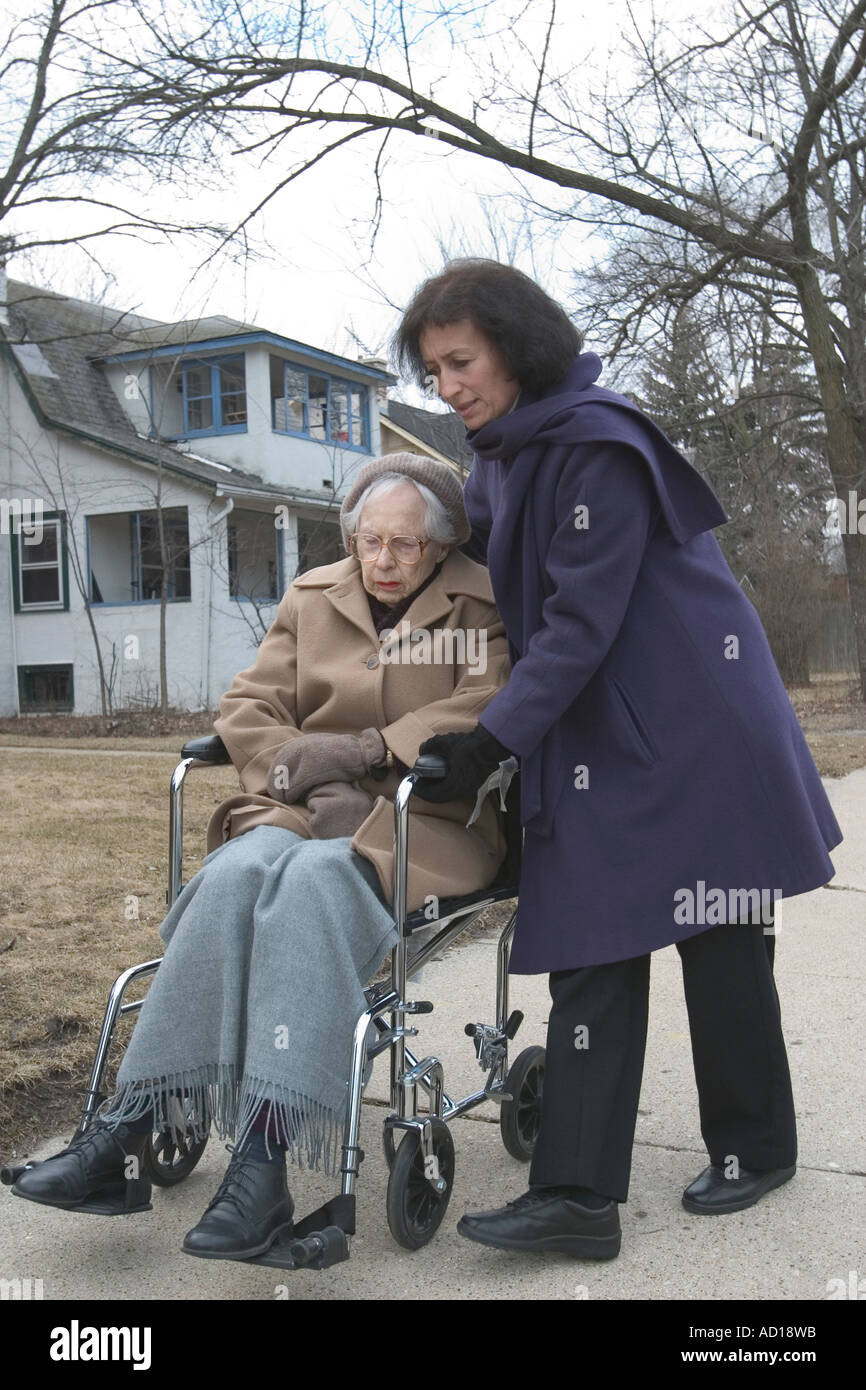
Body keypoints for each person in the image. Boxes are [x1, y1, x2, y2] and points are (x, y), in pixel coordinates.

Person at [395, 259, 843, 1262]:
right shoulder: (503, 454)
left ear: (514, 345)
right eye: (432, 372)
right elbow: (464, 551)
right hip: (603, 736)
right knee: (593, 936)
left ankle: (754, 1147)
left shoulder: (597, 444)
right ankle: (574, 1196)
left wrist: (489, 740)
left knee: (719, 942)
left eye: (459, 361)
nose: (448, 386)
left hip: (695, 729)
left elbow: (576, 624)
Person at [11, 453, 510, 1260]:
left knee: (312, 884)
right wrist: (305, 774)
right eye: (368, 541)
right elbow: (251, 704)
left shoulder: (482, 603)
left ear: (444, 545)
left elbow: (484, 706)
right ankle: (130, 1128)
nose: (382, 562)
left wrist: (364, 753)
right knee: (233, 873)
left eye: (405, 547)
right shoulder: (314, 596)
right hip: (307, 803)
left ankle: (262, 1160)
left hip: (426, 821)